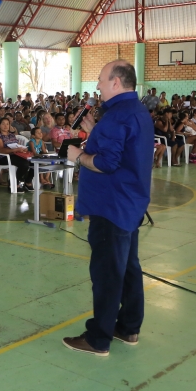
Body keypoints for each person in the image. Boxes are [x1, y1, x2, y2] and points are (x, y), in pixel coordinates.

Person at [62, 60, 153, 357]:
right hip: (130, 203)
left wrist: (77, 156)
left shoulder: (116, 116)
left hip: (110, 206)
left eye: (101, 79)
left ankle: (98, 338)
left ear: (116, 82)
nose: (98, 85)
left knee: (107, 274)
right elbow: (121, 149)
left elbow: (106, 163)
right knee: (128, 268)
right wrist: (96, 131)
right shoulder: (135, 111)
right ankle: (128, 327)